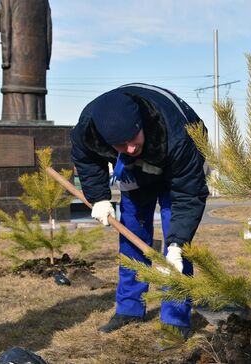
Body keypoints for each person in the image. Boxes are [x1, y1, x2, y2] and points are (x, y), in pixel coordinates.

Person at [71, 83, 208, 337]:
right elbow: (87, 160)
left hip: (175, 167)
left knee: (176, 244)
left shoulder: (181, 135)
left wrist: (177, 244)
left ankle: (176, 320)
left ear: (141, 124)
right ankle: (129, 310)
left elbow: (188, 195)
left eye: (132, 139)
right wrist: (99, 197)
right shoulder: (88, 129)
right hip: (134, 172)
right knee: (132, 231)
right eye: (121, 145)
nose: (130, 148)